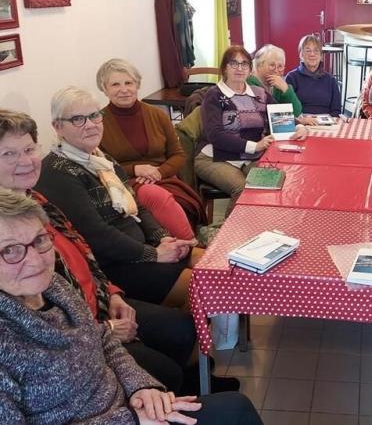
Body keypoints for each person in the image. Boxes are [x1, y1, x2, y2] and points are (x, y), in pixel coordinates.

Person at [0, 188, 263, 424]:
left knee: (234, 406)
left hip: (125, 407)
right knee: (233, 411)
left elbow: (102, 340)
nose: (36, 260)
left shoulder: (54, 286)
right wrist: (131, 419)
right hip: (123, 418)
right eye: (10, 251)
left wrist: (140, 386)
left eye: (39, 240)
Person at [36, 87, 199, 308]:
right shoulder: (57, 171)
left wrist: (161, 238)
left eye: (94, 115)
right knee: (210, 287)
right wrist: (153, 254)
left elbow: (138, 208)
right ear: (58, 127)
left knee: (215, 265)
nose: (91, 124)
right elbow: (96, 235)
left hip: (142, 249)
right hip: (116, 266)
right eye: (78, 119)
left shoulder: (102, 159)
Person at [96, 58, 206, 239]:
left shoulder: (156, 114)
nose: (124, 89)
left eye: (129, 83)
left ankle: (182, 251)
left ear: (137, 85)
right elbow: (99, 166)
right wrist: (134, 169)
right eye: (115, 84)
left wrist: (159, 172)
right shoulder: (98, 122)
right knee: (154, 197)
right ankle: (191, 246)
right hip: (124, 184)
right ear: (104, 89)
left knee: (181, 204)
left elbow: (178, 155)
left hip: (163, 178)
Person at [195, 45, 307, 207]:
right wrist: (255, 146)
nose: (239, 68)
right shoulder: (214, 95)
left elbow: (279, 115)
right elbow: (216, 135)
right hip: (215, 157)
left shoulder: (259, 93)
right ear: (224, 68)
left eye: (244, 64)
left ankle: (260, 225)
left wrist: (299, 127)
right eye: (234, 63)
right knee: (242, 189)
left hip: (249, 158)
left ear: (249, 68)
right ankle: (226, 232)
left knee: (274, 181)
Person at [285, 34, 342, 124]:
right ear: (301, 55)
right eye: (308, 50)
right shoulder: (291, 78)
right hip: (301, 124)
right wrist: (301, 121)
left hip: (326, 124)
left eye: (316, 50)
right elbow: (286, 110)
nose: (312, 54)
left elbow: (336, 111)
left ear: (321, 55)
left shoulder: (330, 80)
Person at [248, 43, 302, 117]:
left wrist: (286, 89)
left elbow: (297, 112)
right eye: (272, 65)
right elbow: (267, 115)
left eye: (280, 66)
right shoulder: (250, 83)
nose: (276, 70)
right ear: (259, 65)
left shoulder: (279, 85)